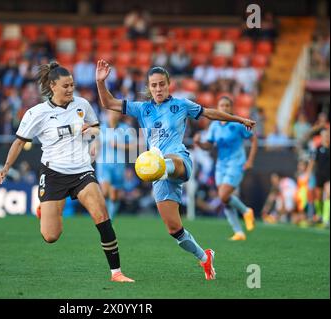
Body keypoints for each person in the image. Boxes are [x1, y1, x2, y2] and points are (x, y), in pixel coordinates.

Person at [96, 60, 256, 280]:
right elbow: (108, 103)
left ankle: (160, 167)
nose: (158, 89)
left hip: (178, 161)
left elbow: (210, 113)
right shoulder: (143, 108)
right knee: (174, 229)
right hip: (158, 173)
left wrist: (239, 119)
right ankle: (204, 258)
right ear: (149, 87)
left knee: (164, 160)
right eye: (154, 85)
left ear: (169, 84)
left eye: (162, 84)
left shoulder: (182, 105)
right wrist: (100, 81)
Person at [0, 61, 134, 283]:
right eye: (66, 86)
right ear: (53, 86)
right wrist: (6, 167)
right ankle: (44, 209)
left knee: (102, 216)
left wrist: (93, 134)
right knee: (51, 236)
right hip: (53, 174)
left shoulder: (82, 105)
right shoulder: (37, 113)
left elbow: (96, 127)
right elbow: (20, 142)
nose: (71, 89)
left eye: (72, 85)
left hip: (82, 171)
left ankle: (116, 272)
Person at [194, 96, 258, 241]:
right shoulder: (214, 126)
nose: (224, 108)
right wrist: (199, 143)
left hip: (236, 163)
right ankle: (239, 232)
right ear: (218, 108)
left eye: (227, 105)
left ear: (231, 108)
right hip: (221, 165)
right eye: (221, 106)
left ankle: (246, 211)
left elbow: (254, 139)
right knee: (225, 199)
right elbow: (209, 145)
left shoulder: (237, 124)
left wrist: (250, 160)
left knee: (223, 195)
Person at [96, 110, 134, 219]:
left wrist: (119, 145)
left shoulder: (125, 128)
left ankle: (110, 217)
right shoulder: (101, 128)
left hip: (119, 165)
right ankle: (103, 217)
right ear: (107, 114)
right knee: (105, 191)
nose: (114, 115)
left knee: (114, 195)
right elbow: (95, 143)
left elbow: (132, 146)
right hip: (103, 164)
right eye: (111, 113)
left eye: (116, 113)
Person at [307, 127, 330, 227]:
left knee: (328, 194)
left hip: (329, 176)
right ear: (321, 137)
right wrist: (308, 174)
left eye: (328, 135)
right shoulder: (317, 148)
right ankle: (319, 215)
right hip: (319, 175)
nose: (326, 137)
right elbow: (312, 162)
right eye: (325, 135)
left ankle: (326, 219)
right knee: (318, 196)